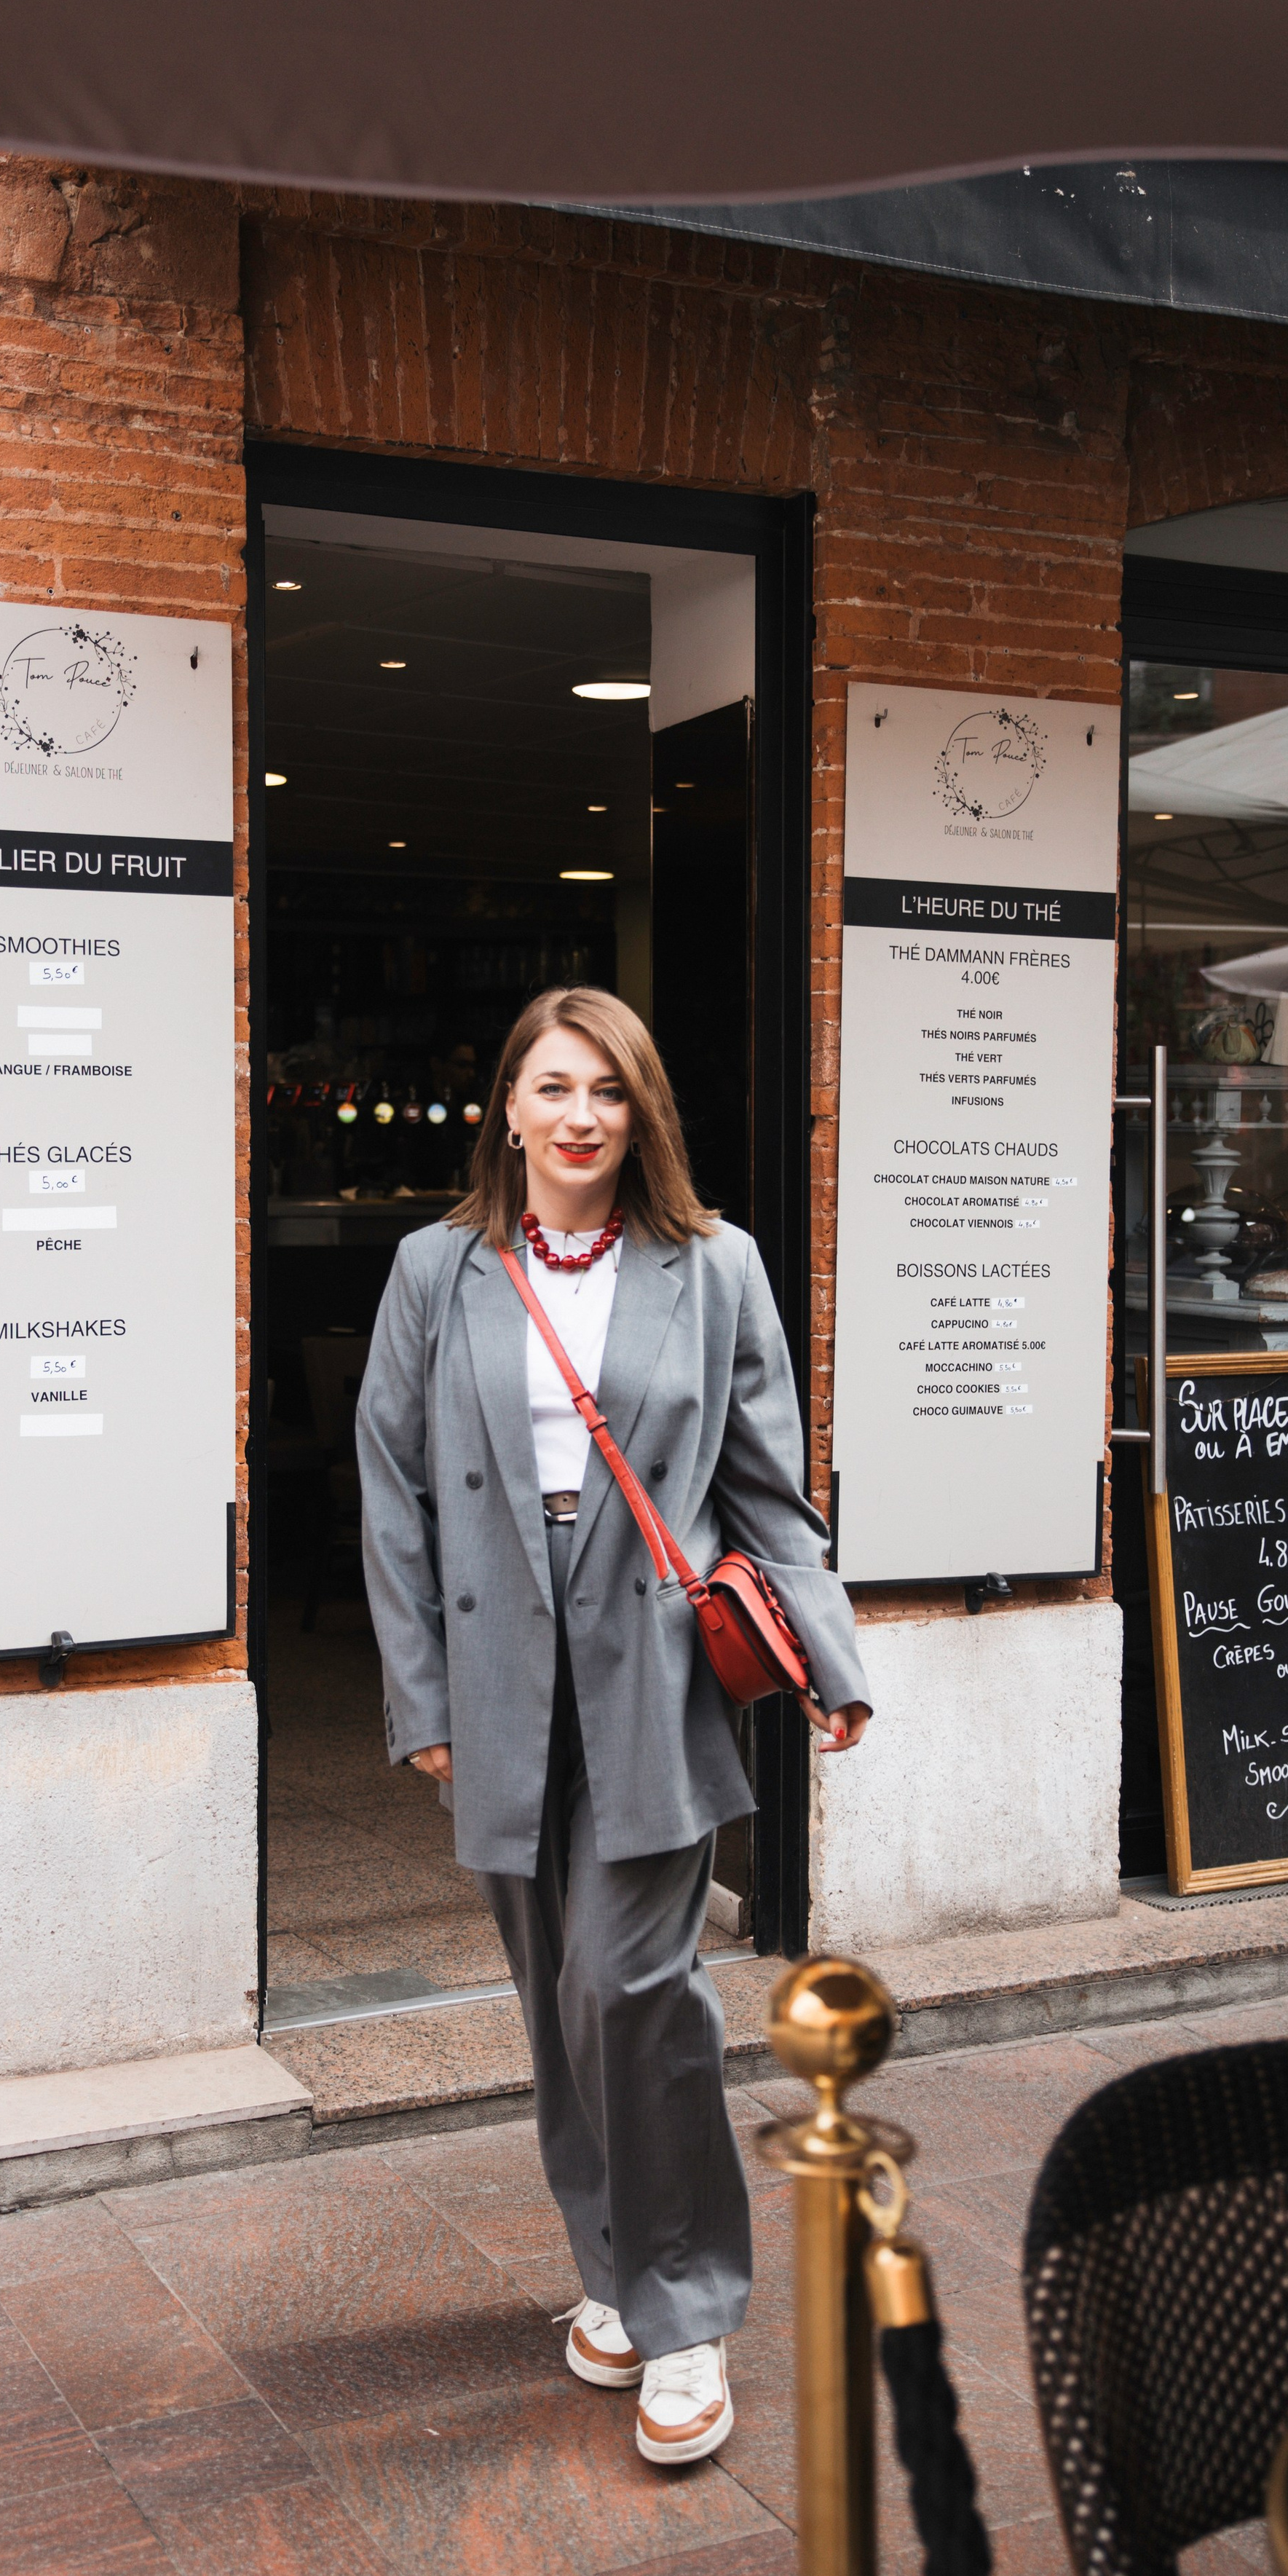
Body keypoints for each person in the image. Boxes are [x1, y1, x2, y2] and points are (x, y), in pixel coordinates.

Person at [356, 985, 871, 2466]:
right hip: (495, 1671)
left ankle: (684, 2311)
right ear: (507, 1107)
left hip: (650, 1663)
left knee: (637, 1985)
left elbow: (767, 1487)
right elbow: (390, 1497)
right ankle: (612, 2273)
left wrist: (827, 1657)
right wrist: (419, 1697)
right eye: (555, 1087)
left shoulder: (713, 1269)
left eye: (611, 1092)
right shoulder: (430, 1272)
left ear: (641, 1114)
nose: (582, 1117)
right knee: (556, 1999)